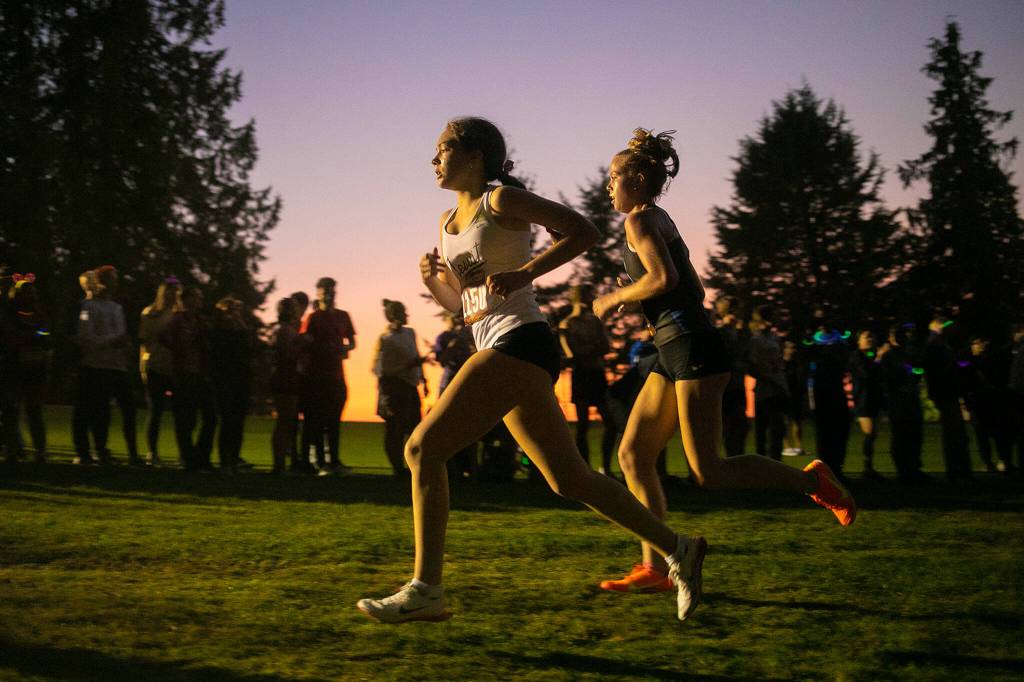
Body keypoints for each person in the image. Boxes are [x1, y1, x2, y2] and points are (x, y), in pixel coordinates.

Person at [358, 118, 713, 625]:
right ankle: (679, 548)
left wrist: (526, 272)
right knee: (570, 480)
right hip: (498, 340)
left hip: (522, 340)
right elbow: (470, 306)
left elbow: (584, 232)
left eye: (442, 150)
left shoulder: (499, 201)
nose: (433, 160)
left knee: (421, 448)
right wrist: (436, 283)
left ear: (476, 155)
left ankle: (426, 590)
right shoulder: (445, 220)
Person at [587, 129, 854, 597]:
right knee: (632, 455)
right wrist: (642, 302)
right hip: (675, 346)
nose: (608, 185)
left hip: (691, 346)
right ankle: (655, 566)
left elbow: (663, 278)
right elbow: (692, 288)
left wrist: (614, 299)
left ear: (639, 178)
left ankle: (812, 480)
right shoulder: (658, 219)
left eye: (613, 176)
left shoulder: (640, 220)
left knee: (707, 469)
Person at [75, 266, 141, 466]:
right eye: (111, 279)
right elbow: (86, 338)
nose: (116, 283)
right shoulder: (88, 307)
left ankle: (132, 453)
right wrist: (113, 342)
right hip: (96, 366)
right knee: (98, 410)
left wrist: (125, 347)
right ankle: (94, 451)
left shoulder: (117, 308)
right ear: (101, 281)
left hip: (117, 366)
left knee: (128, 409)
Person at [559, 284, 618, 475]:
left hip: (596, 374)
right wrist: (591, 349)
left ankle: (606, 467)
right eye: (586, 295)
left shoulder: (595, 322)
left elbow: (605, 347)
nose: (590, 298)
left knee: (611, 423)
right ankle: (585, 470)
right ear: (577, 298)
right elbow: (572, 354)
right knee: (582, 425)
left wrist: (587, 350)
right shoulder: (567, 324)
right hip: (582, 375)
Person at [300, 277, 356, 475]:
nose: (328, 294)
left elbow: (352, 342)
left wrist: (343, 348)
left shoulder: (343, 316)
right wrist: (324, 348)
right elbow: (305, 343)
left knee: (334, 421)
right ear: (318, 293)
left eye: (331, 290)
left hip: (336, 376)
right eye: (324, 291)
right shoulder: (312, 318)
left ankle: (334, 461)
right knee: (316, 420)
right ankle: (319, 462)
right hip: (317, 376)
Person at [161, 286, 216, 471]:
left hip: (199, 373)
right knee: (186, 419)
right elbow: (164, 337)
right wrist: (180, 349)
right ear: (188, 300)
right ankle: (189, 457)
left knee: (210, 416)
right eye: (197, 297)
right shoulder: (177, 320)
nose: (200, 301)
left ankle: (200, 455)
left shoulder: (200, 321)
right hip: (184, 373)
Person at [372, 299, 426, 477]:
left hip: (410, 386)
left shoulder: (410, 333)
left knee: (414, 428)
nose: (406, 316)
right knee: (395, 429)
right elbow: (383, 369)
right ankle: (398, 467)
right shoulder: (387, 339)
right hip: (395, 387)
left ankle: (412, 465)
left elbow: (416, 355)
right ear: (394, 316)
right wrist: (409, 365)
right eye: (403, 312)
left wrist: (423, 379)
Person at [922, 315, 971, 481]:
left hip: (946, 392)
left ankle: (958, 468)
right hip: (946, 393)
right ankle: (957, 469)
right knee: (954, 433)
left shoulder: (939, 344)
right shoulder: (936, 345)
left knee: (955, 433)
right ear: (937, 327)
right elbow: (937, 372)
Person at [209, 296, 254, 475]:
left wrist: (240, 323)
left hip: (240, 381)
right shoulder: (217, 334)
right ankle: (225, 461)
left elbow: (249, 347)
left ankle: (233, 460)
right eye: (229, 311)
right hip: (224, 380)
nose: (233, 315)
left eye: (235, 311)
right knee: (228, 421)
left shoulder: (241, 333)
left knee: (238, 423)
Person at [139, 277, 180, 466]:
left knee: (182, 412)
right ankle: (152, 452)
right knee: (155, 411)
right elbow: (145, 342)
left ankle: (183, 453)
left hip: (175, 368)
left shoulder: (179, 314)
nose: (173, 294)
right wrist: (143, 367)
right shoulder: (150, 313)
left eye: (176, 290)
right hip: (155, 366)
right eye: (169, 290)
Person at [878, 324, 925, 483]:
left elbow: (919, 371)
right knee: (900, 436)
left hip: (911, 398)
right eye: (896, 335)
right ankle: (903, 470)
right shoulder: (888, 356)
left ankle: (915, 468)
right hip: (897, 401)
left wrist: (914, 372)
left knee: (915, 435)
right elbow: (885, 379)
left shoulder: (912, 354)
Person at [807, 313, 852, 478]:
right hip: (821, 392)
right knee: (824, 432)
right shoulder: (814, 345)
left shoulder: (840, 345)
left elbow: (844, 362)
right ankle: (826, 469)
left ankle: (835, 467)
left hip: (834, 391)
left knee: (838, 430)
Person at [432, 310, 477, 478]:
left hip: (468, 382)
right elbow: (441, 361)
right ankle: (450, 467)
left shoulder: (470, 335)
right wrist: (453, 344)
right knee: (446, 423)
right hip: (449, 382)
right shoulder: (443, 337)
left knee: (469, 425)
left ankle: (470, 467)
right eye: (454, 317)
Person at [960, 336, 1012, 473]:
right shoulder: (969, 362)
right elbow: (965, 383)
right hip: (978, 402)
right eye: (976, 343)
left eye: (980, 343)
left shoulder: (990, 360)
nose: (978, 346)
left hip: (990, 402)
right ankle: (988, 462)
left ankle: (1002, 460)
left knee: (997, 433)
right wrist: (966, 404)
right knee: (982, 435)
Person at [747, 305, 788, 461]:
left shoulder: (774, 338)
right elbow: (752, 366)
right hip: (766, 391)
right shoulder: (756, 340)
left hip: (776, 389)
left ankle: (775, 467)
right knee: (763, 434)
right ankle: (763, 469)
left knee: (777, 432)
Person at [271, 297, 303, 475]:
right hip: (285, 380)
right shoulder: (285, 331)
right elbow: (288, 355)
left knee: (287, 422)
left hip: (287, 379)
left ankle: (281, 463)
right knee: (285, 422)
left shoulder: (286, 330)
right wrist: (302, 343)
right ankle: (279, 464)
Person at [714, 296, 749, 457]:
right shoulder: (721, 333)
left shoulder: (741, 332)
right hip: (726, 387)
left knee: (739, 428)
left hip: (736, 386)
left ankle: (736, 462)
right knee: (728, 428)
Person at [849, 330, 885, 480]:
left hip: (873, 400)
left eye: (871, 336)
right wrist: (879, 358)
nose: (869, 339)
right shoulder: (856, 356)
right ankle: (867, 468)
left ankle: (869, 467)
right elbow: (866, 375)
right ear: (858, 341)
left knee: (873, 434)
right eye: (866, 337)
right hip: (863, 400)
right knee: (869, 434)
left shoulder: (870, 355)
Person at [781, 338, 808, 457]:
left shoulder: (797, 363)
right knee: (785, 421)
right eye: (791, 347)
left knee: (797, 422)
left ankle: (798, 447)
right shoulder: (781, 364)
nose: (793, 350)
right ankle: (786, 447)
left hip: (796, 395)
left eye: (794, 347)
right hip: (784, 396)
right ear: (785, 349)